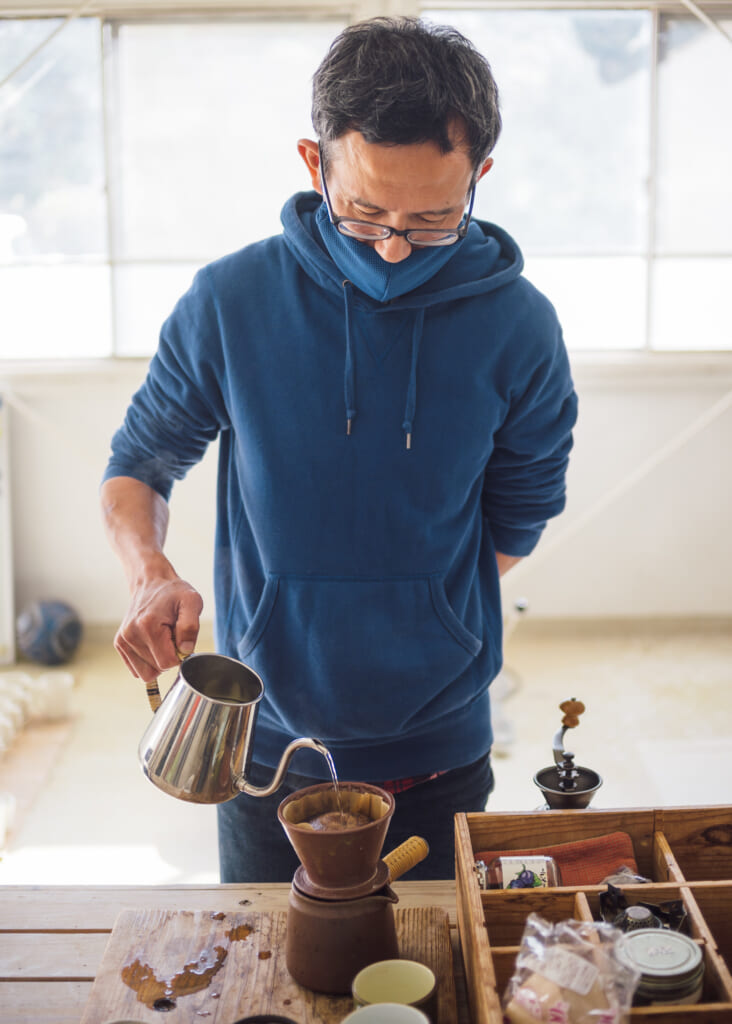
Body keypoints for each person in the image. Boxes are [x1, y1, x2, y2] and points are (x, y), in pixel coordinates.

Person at [101, 16, 577, 882]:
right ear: (314, 163)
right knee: (269, 993)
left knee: (432, 985)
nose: (395, 244)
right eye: (363, 212)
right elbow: (139, 462)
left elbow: (522, 511)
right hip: (263, 745)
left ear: (481, 177)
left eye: (433, 218)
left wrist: (417, 609)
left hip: (441, 744)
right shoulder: (231, 300)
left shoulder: (521, 327)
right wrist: (149, 572)